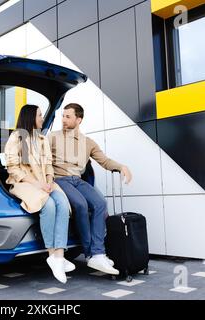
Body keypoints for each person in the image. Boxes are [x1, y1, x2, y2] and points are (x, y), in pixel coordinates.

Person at [48, 103, 133, 275]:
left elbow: (105, 161)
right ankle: (90, 253)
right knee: (80, 205)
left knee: (101, 203)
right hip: (60, 179)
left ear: (78, 120)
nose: (63, 120)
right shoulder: (52, 137)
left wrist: (122, 166)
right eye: (62, 116)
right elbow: (41, 159)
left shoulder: (88, 143)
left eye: (68, 117)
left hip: (78, 181)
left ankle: (98, 254)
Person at [5, 104, 74, 284]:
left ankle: (59, 255)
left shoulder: (42, 139)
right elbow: (13, 168)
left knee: (62, 202)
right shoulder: (18, 137)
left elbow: (49, 165)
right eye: (40, 115)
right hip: (24, 183)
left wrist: (50, 181)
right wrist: (38, 184)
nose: (42, 118)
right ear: (30, 118)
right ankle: (52, 253)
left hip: (44, 183)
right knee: (48, 204)